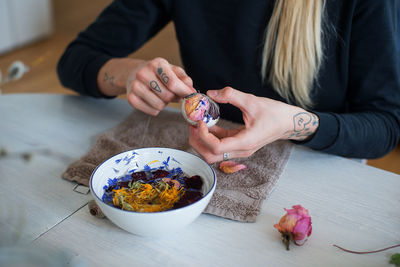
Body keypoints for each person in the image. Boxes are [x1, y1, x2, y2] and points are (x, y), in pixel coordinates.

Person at [57, 0, 400, 163]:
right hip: (209, 167)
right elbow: (75, 61)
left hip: (323, 168)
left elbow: (386, 125)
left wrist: (293, 125)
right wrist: (127, 74)